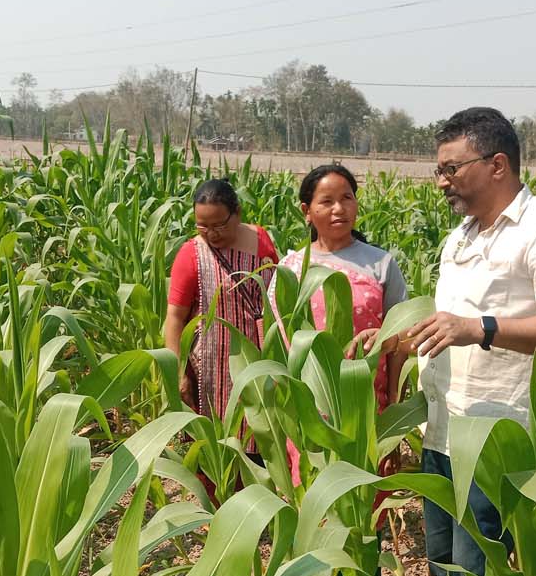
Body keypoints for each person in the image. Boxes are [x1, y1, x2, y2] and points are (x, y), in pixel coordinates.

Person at [353, 107, 536, 576]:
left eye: (451, 168)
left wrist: (480, 328)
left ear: (497, 164)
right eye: (438, 170)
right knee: (444, 568)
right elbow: (450, 326)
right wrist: (396, 337)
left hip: (494, 437)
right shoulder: (459, 238)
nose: (441, 182)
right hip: (441, 430)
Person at [270, 164, 408, 489]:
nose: (338, 209)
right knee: (314, 495)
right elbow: (277, 344)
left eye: (347, 198)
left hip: (366, 407)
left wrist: (395, 411)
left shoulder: (381, 264)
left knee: (366, 501)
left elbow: (400, 340)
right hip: (308, 411)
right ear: (307, 211)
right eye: (327, 201)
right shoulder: (290, 270)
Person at [162, 178, 277, 502]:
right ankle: (216, 513)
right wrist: (178, 371)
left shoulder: (262, 241)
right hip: (210, 372)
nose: (211, 233)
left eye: (219, 225)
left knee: (259, 433)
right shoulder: (191, 254)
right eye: (203, 226)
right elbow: (174, 317)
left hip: (256, 363)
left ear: (237, 213)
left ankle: (256, 507)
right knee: (214, 443)